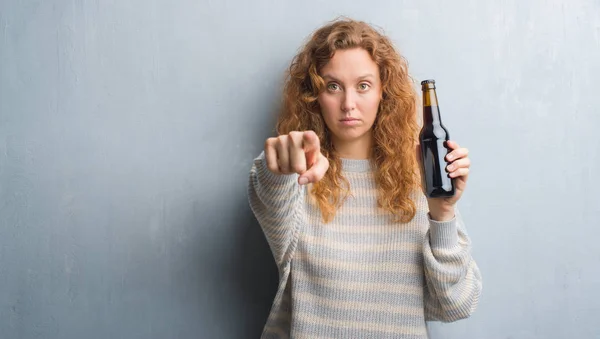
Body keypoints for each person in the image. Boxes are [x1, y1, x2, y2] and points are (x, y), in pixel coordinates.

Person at [247, 17, 482, 339]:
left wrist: (443, 214)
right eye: (333, 86)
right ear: (313, 95)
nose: (348, 104)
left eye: (363, 85)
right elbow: (271, 190)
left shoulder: (421, 181)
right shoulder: (295, 174)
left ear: (384, 92)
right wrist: (280, 168)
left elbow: (455, 306)